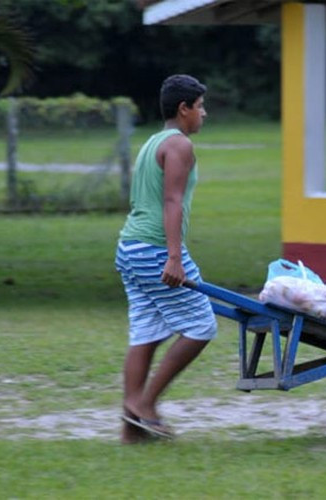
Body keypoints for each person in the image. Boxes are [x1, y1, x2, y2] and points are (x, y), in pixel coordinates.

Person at [114, 74, 216, 442]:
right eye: (200, 106)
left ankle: (131, 427)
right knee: (202, 325)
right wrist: (173, 257)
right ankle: (146, 403)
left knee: (147, 331)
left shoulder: (153, 142)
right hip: (155, 248)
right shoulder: (179, 146)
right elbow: (171, 201)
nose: (204, 114)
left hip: (130, 247)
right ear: (183, 108)